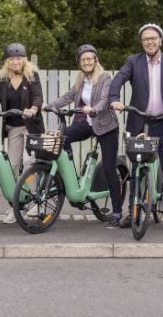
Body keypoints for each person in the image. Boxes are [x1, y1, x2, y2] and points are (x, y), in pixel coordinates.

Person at [109, 24, 163, 231]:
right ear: (142, 42)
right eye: (146, 39)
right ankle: (133, 211)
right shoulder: (133, 62)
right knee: (137, 170)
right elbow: (119, 79)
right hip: (140, 123)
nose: (150, 42)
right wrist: (114, 99)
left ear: (160, 41)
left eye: (153, 38)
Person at [45, 45, 124, 227]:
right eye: (83, 60)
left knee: (109, 169)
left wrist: (93, 109)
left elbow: (105, 99)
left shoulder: (105, 78)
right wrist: (50, 105)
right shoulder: (81, 79)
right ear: (80, 63)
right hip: (87, 123)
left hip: (106, 126)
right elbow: (69, 96)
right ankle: (72, 176)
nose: (87, 62)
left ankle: (117, 212)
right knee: (62, 140)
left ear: (95, 60)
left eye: (90, 59)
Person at [0, 43, 43, 224]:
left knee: (29, 161)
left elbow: (39, 97)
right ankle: (15, 205)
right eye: (11, 59)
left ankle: (35, 202)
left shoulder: (32, 77)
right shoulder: (3, 80)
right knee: (12, 166)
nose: (15, 62)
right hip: (13, 127)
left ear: (23, 60)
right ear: (7, 62)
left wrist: (33, 108)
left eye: (18, 58)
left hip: (31, 126)